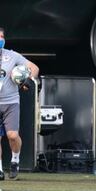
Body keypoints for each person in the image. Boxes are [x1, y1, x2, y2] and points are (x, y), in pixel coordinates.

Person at [0, 27, 39, 180]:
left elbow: (34, 68)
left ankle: (15, 160)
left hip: (11, 102)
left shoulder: (12, 56)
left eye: (2, 36)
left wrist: (26, 80)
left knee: (12, 135)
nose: (0, 39)